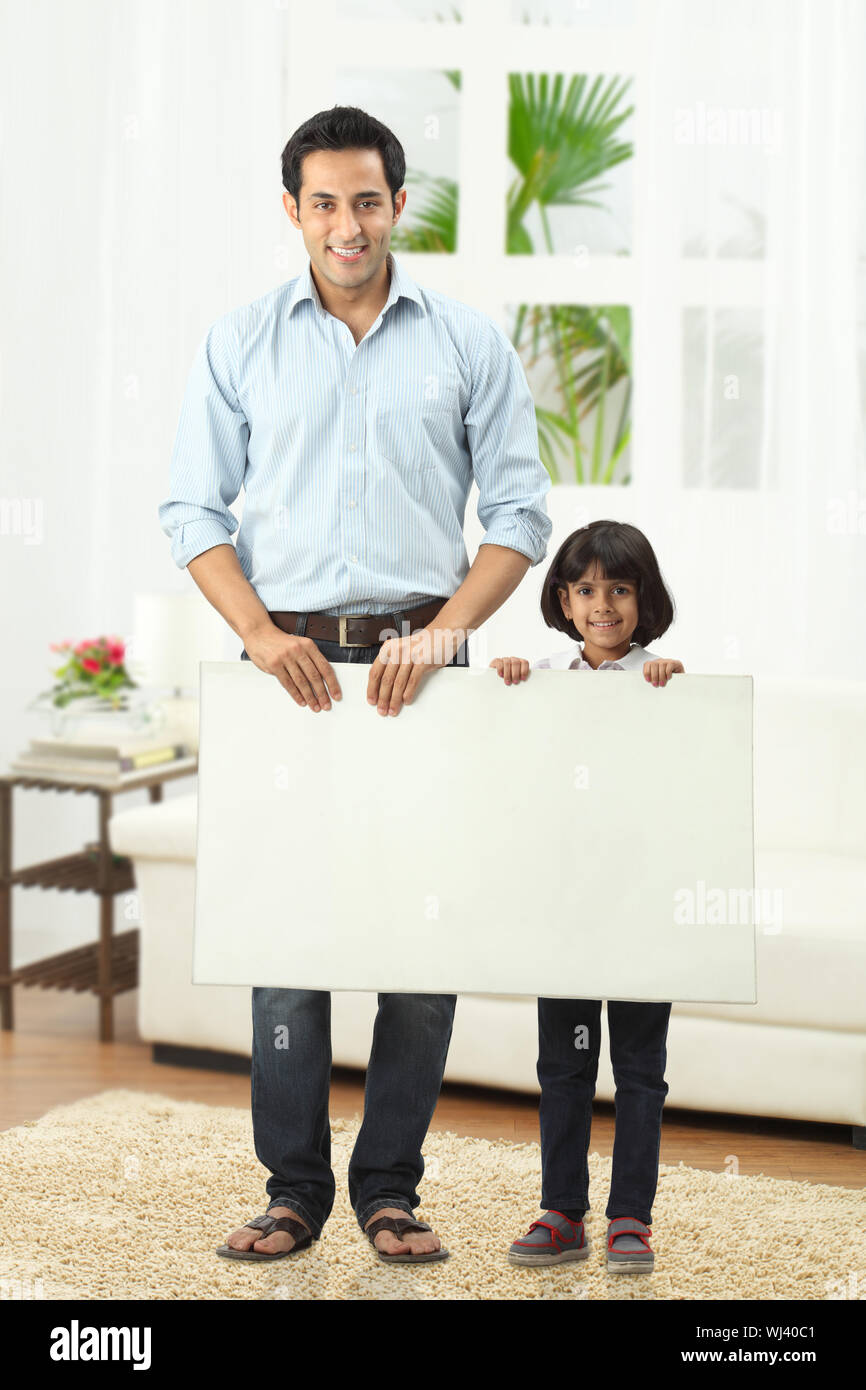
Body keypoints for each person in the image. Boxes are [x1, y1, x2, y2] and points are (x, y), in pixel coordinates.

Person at [158, 105, 552, 1264]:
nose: (346, 223)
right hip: (280, 673)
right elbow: (192, 510)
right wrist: (257, 631)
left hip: (422, 676)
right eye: (323, 202)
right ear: (293, 210)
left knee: (416, 951)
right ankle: (291, 1191)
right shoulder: (238, 342)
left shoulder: (466, 341)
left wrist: (443, 632)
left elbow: (519, 515)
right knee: (286, 944)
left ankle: (388, 1186)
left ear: (396, 204)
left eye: (366, 200)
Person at [489, 519, 684, 1274]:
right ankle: (561, 1212)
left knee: (640, 1069)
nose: (604, 605)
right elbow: (511, 767)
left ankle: (630, 1217)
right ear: (565, 601)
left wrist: (668, 687)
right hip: (564, 907)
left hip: (639, 908)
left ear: (644, 600)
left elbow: (686, 780)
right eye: (587, 590)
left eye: (621, 590)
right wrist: (510, 684)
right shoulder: (540, 678)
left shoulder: (659, 680)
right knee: (564, 1067)